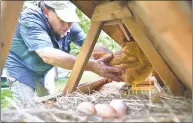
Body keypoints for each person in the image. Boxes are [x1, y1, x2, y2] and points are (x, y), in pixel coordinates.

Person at [4, 1, 123, 107]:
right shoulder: (30, 18)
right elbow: (47, 55)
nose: (67, 26)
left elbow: (89, 44)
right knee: (29, 111)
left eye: (70, 21)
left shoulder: (69, 25)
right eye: (62, 20)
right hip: (20, 69)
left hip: (43, 72)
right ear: (46, 12)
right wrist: (92, 65)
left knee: (48, 106)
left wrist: (115, 57)